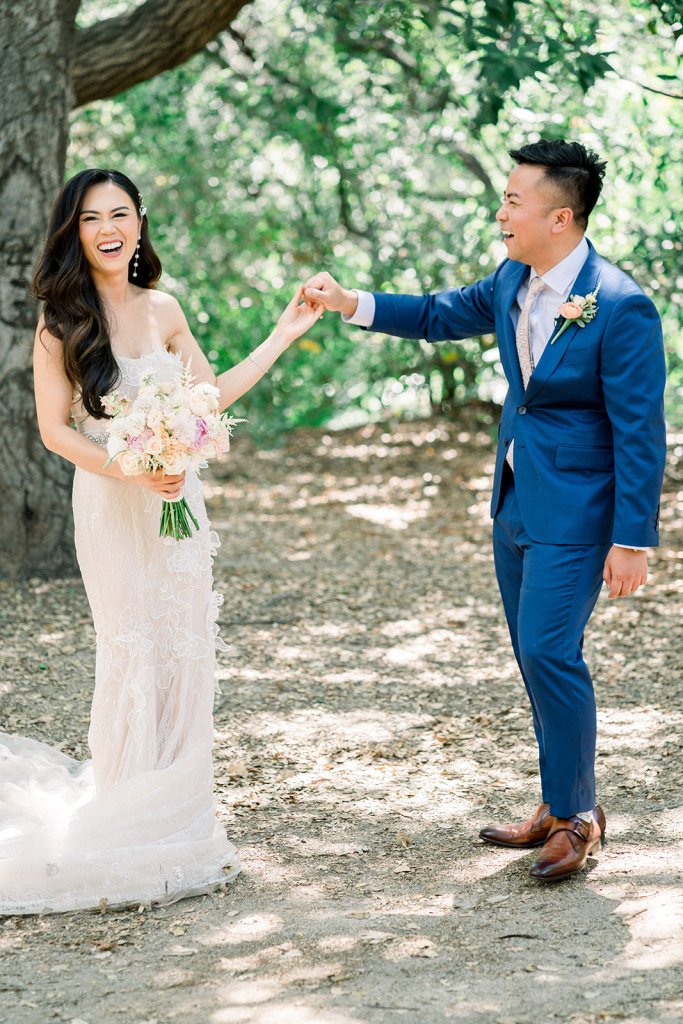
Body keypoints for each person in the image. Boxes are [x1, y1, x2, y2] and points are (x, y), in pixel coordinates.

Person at [303, 139, 667, 881]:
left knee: (549, 651)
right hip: (515, 501)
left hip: (580, 512)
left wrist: (633, 538)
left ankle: (578, 817)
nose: (500, 213)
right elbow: (436, 314)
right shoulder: (511, 279)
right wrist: (349, 303)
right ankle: (557, 800)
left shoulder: (620, 305)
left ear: (560, 217)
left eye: (512, 201)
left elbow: (641, 431)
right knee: (531, 656)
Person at [0, 168, 322, 914]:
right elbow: (54, 431)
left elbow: (209, 400)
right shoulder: (59, 324)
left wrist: (281, 334)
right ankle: (127, 799)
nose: (108, 229)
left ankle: (178, 810)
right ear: (74, 232)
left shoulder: (165, 307)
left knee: (183, 643)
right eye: (91, 218)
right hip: (111, 502)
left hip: (178, 501)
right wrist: (129, 467)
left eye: (120, 214)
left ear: (139, 224)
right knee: (132, 646)